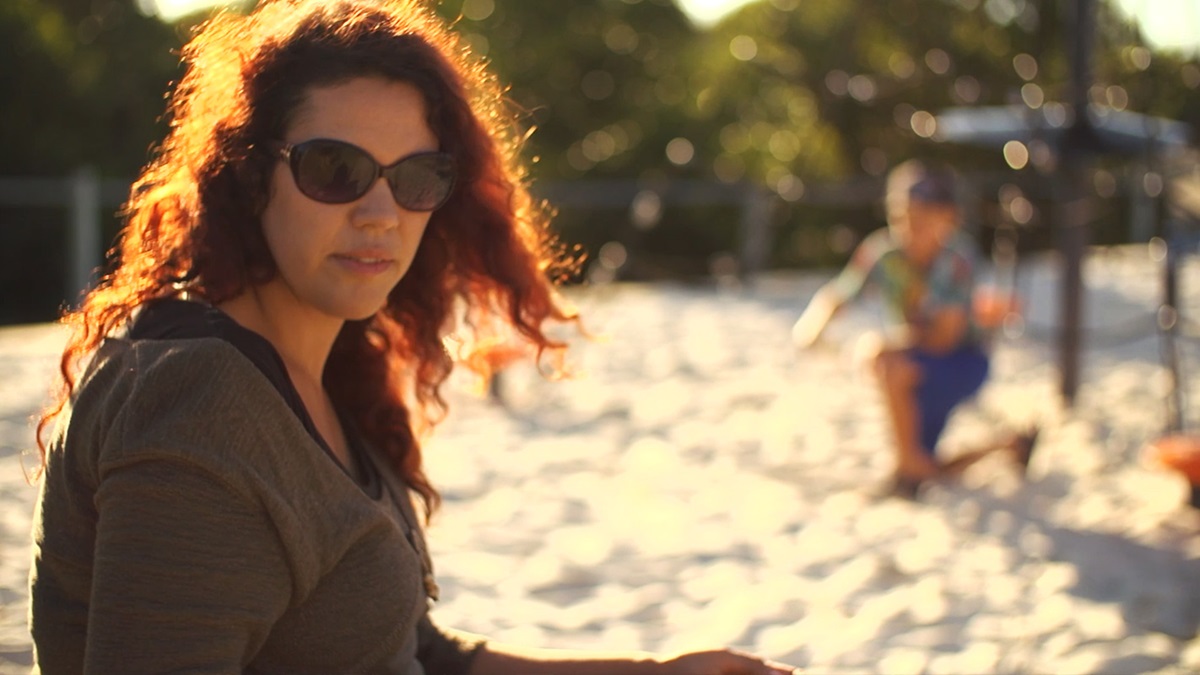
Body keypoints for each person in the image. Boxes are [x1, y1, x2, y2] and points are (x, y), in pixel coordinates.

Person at [27, 1, 798, 673]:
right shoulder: (199, 401)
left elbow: (416, 654)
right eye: (335, 168)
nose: (381, 213)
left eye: (416, 176)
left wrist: (653, 672)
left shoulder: (322, 369)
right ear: (248, 174)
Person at [791, 159, 1036, 500]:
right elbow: (841, 292)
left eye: (920, 219)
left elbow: (944, 338)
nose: (908, 228)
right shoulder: (885, 253)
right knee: (925, 462)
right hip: (917, 360)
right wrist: (812, 327)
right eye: (900, 217)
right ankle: (1008, 444)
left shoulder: (957, 260)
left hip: (959, 363)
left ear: (948, 219)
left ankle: (907, 470)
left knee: (884, 363)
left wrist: (886, 347)